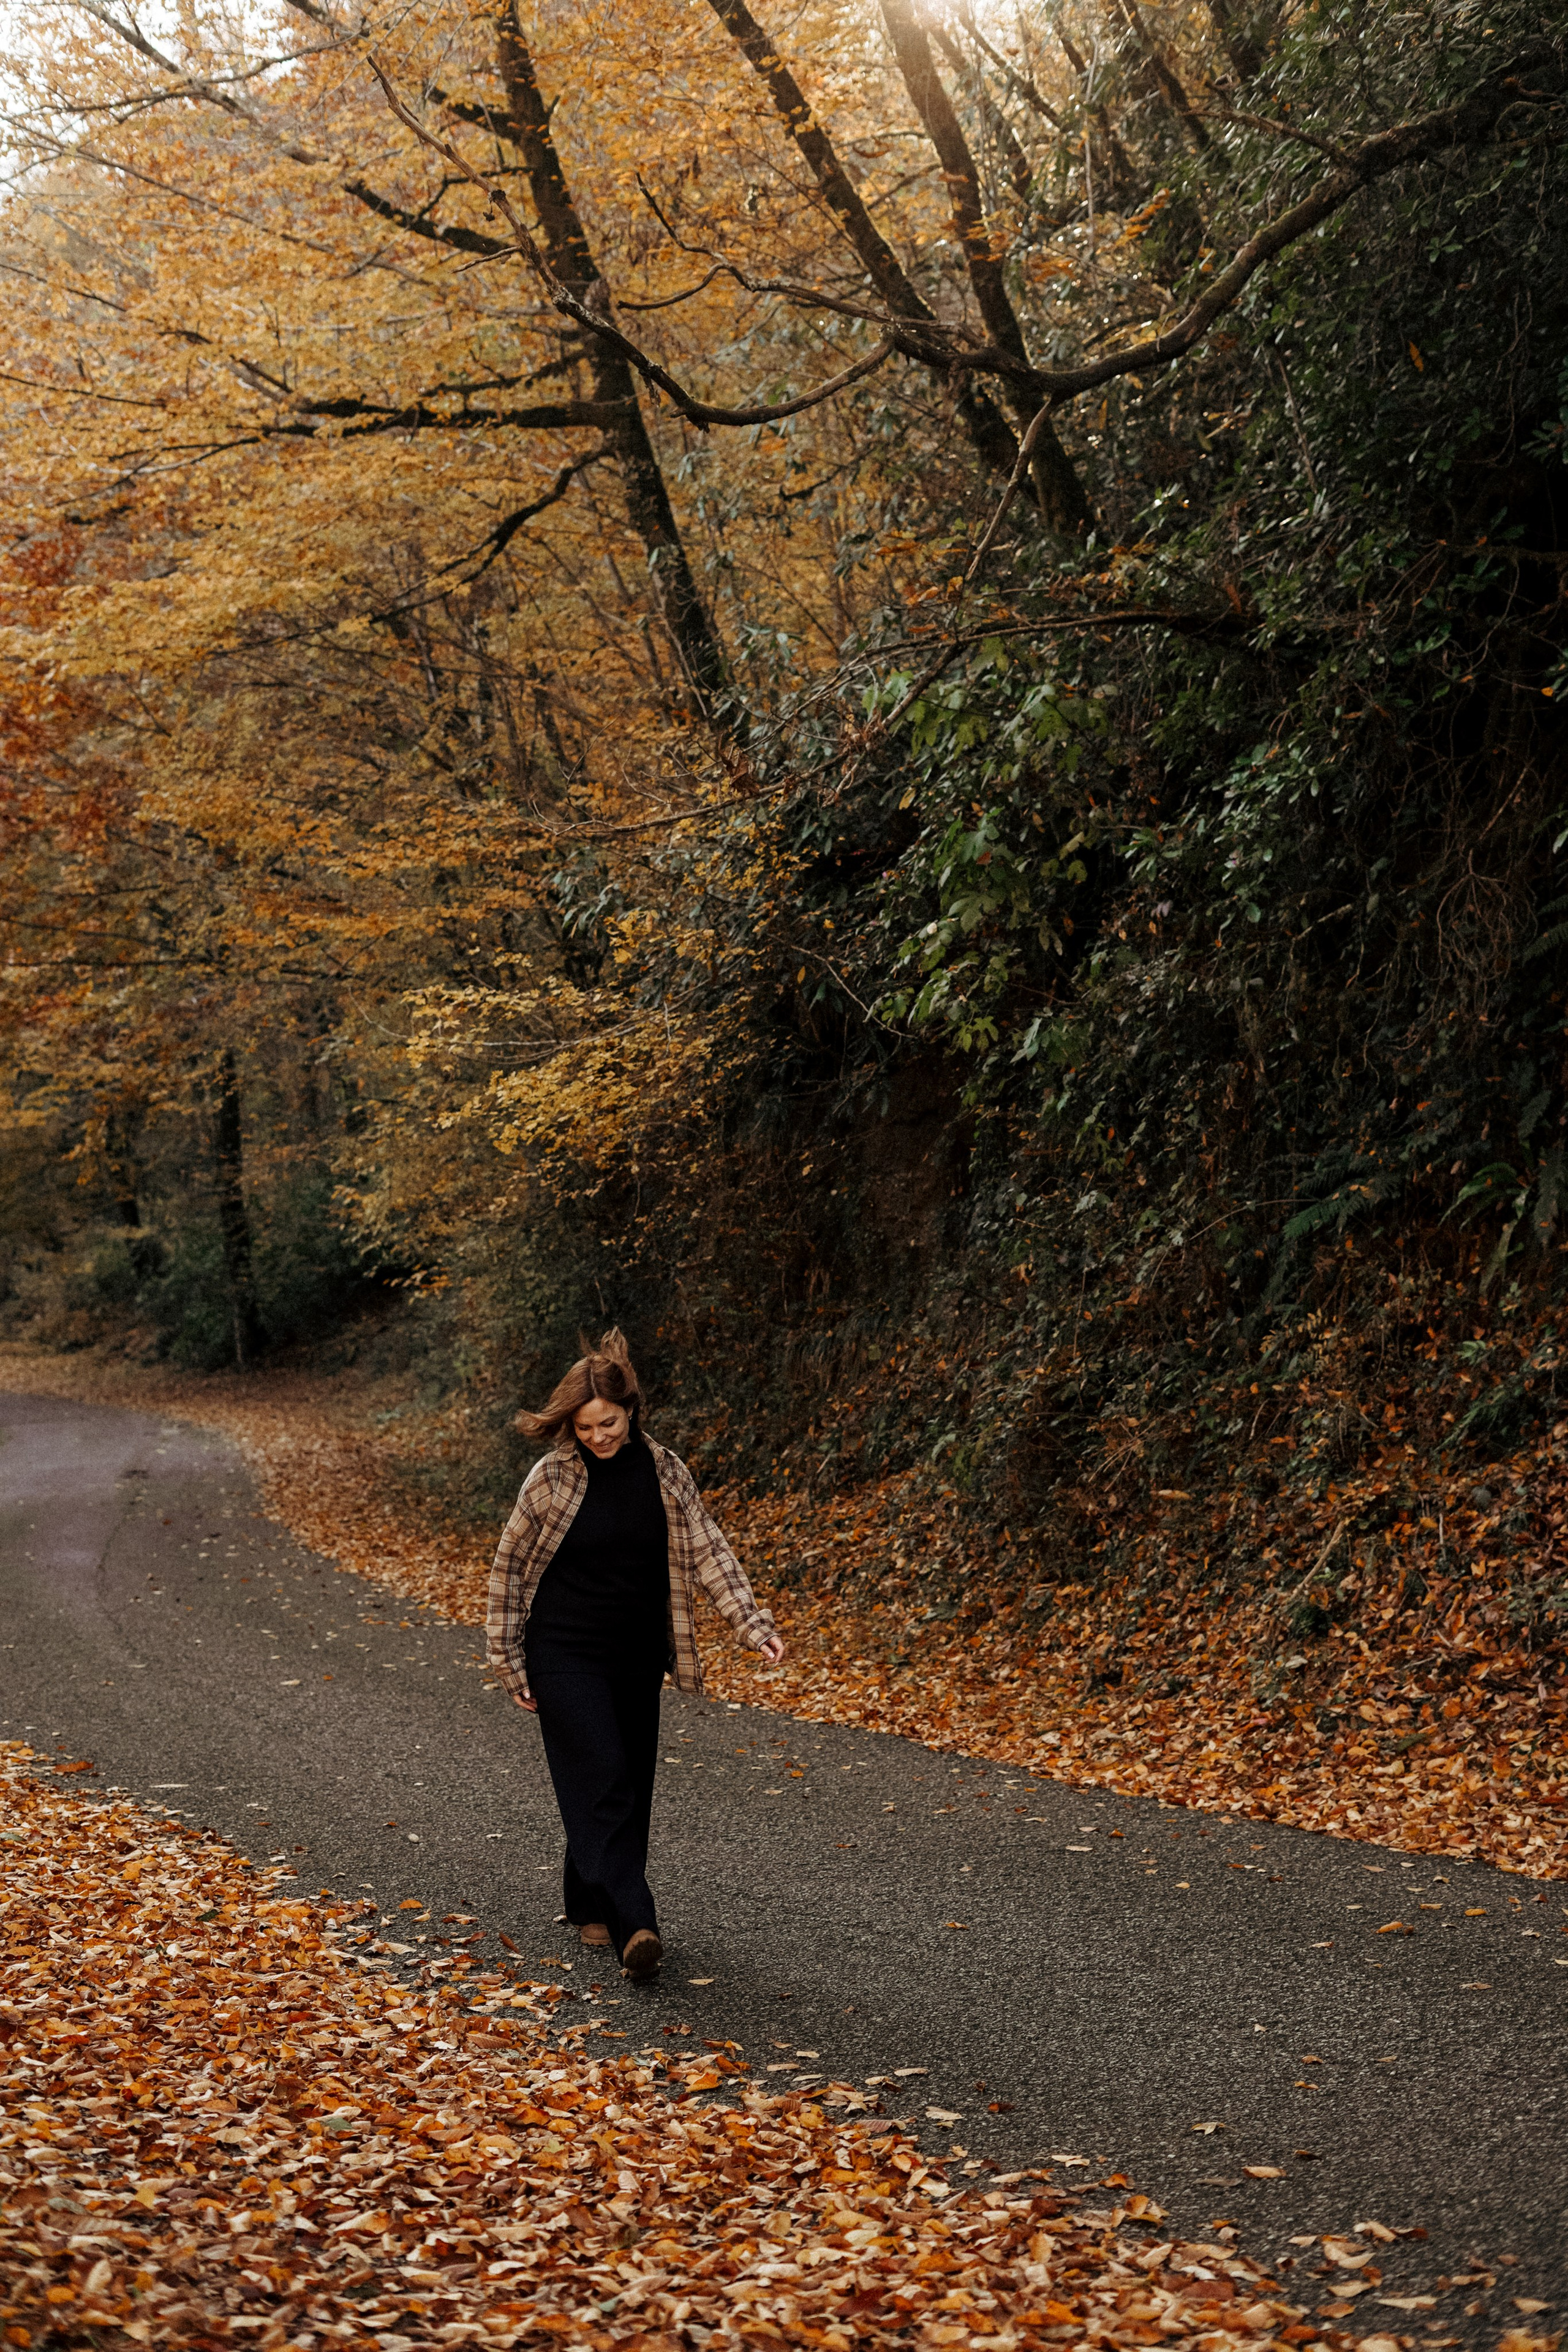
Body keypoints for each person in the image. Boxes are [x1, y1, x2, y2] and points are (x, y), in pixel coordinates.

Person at [486, 1329, 785, 1980]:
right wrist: (510, 1659)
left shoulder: (664, 1470)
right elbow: (508, 1570)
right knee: (604, 1773)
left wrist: (751, 1624)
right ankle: (635, 1921)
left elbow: (709, 1549)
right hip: (563, 1650)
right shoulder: (551, 1479)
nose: (598, 1437)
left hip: (635, 1651)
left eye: (609, 1423)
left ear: (631, 1412)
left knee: (624, 1782)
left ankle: (586, 1898)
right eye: (586, 1427)